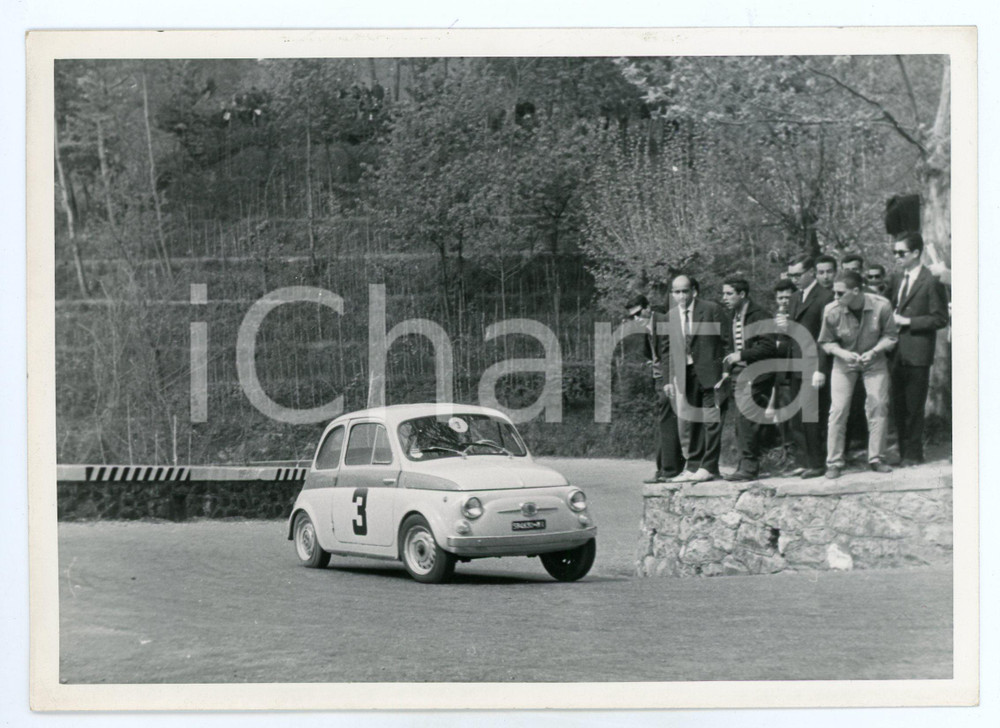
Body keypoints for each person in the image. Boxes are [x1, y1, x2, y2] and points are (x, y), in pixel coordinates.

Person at [818, 271, 899, 478]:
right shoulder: (831, 310)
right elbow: (826, 342)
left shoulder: (882, 305)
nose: (835, 297)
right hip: (844, 362)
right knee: (838, 409)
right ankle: (834, 462)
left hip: (874, 361)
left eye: (840, 293)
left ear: (856, 291)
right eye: (834, 293)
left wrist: (874, 351)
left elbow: (890, 336)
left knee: (878, 405)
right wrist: (843, 353)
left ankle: (877, 458)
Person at [661, 274, 728, 483]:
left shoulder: (711, 309)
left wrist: (726, 371)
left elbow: (727, 342)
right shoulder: (670, 316)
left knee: (711, 420)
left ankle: (708, 467)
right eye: (677, 292)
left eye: (684, 291)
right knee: (693, 421)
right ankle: (693, 466)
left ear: (693, 291)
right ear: (672, 294)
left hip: (711, 373)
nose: (681, 296)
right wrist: (667, 379)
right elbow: (666, 350)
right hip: (685, 373)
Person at [890, 232, 949, 465]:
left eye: (901, 253)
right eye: (894, 252)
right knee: (898, 405)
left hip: (918, 353)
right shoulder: (896, 278)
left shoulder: (931, 279)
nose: (897, 257)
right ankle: (902, 450)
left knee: (914, 406)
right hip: (895, 352)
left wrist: (908, 322)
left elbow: (940, 318)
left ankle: (913, 454)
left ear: (916, 253)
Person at [719, 278, 776, 481]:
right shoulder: (734, 315)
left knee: (745, 419)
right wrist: (729, 367)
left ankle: (749, 467)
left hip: (757, 374)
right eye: (723, 294)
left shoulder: (759, 315)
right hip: (739, 374)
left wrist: (741, 356)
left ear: (742, 294)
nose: (724, 298)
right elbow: (732, 347)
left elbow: (769, 346)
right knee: (741, 422)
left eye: (728, 294)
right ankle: (745, 465)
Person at [625, 294, 686, 483]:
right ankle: (666, 468)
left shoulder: (664, 321)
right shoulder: (648, 327)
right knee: (666, 422)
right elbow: (652, 352)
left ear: (647, 307)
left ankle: (669, 469)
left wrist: (668, 379)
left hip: (672, 379)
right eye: (632, 317)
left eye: (638, 314)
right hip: (661, 379)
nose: (636, 319)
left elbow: (672, 353)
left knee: (668, 422)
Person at [785, 254, 835, 478]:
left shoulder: (825, 297)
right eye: (791, 275)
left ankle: (817, 463)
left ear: (811, 272)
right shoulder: (795, 297)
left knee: (812, 416)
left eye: (798, 275)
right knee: (798, 416)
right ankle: (804, 460)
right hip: (795, 362)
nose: (794, 279)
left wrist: (820, 368)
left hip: (813, 364)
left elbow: (826, 337)